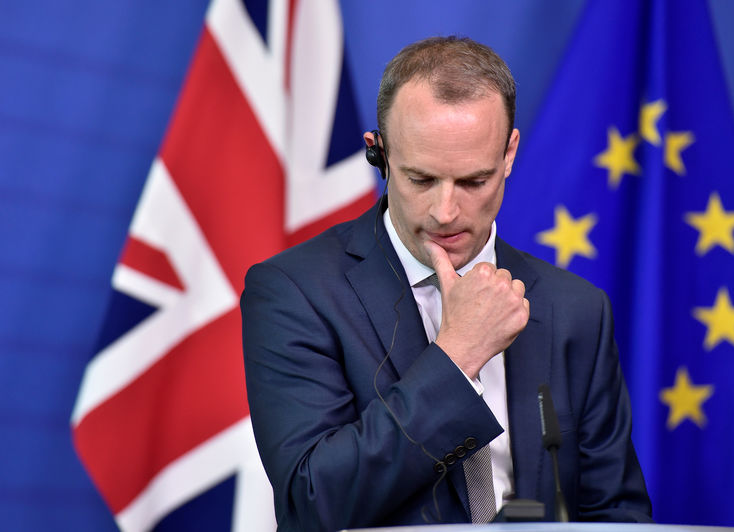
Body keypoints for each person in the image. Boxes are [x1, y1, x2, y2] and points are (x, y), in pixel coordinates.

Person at [241, 36, 651, 531]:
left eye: (474, 182)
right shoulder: (294, 292)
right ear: (380, 154)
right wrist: (458, 355)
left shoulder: (577, 309)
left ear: (509, 155)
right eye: (421, 179)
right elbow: (311, 503)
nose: (446, 212)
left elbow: (616, 516)